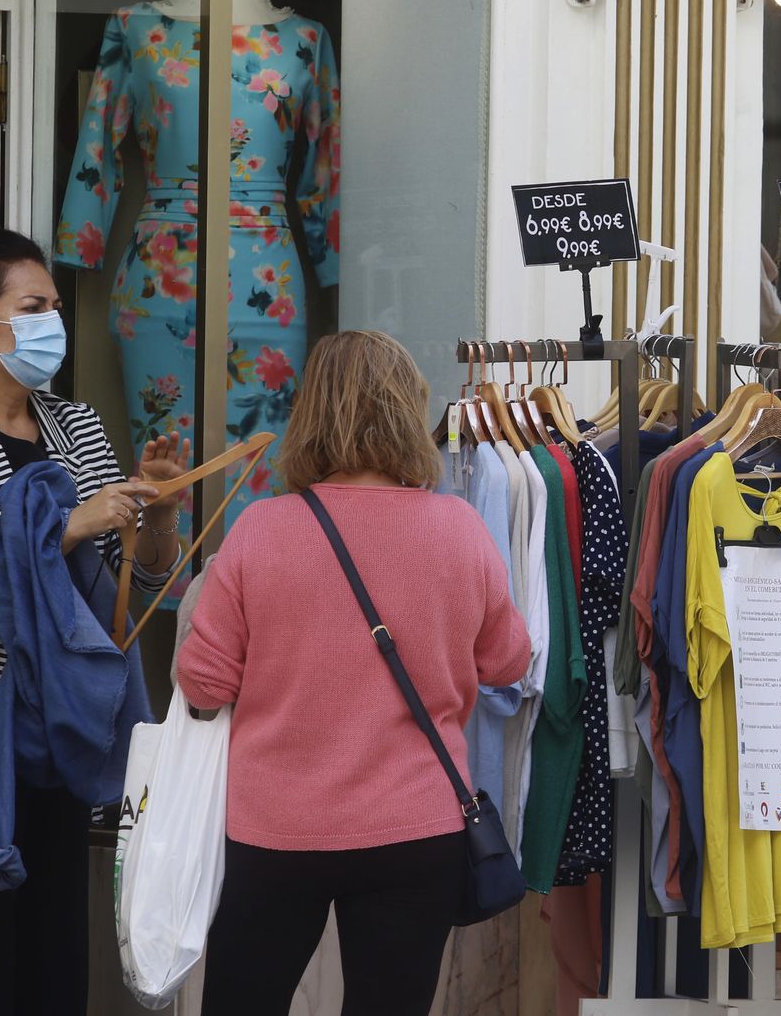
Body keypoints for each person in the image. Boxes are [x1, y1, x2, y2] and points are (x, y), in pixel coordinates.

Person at [176, 330, 530, 1016]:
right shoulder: (459, 529)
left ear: (308, 413)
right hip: (416, 828)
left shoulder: (260, 530)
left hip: (275, 831)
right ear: (407, 409)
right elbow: (507, 662)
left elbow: (205, 684)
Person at [0, 228, 188, 1015]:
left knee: (50, 974)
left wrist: (153, 511)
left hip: (57, 752)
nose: (53, 320)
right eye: (33, 307)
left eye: (55, 304)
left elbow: (134, 587)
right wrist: (79, 523)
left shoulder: (76, 426)